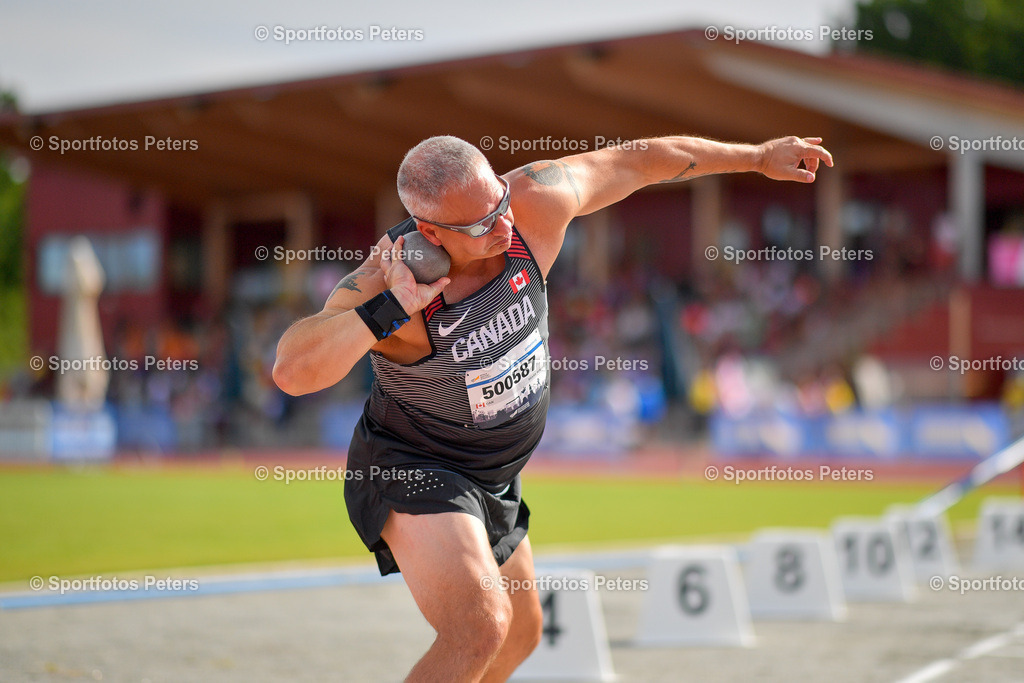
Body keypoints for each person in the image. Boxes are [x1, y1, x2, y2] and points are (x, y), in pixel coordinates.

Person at [272, 134, 833, 682]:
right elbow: (292, 370)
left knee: (521, 636)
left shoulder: (533, 203)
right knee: (479, 628)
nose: (503, 226)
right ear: (429, 233)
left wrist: (757, 157)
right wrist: (391, 308)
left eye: (500, 204)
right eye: (480, 225)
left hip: (495, 475)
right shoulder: (388, 284)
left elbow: (636, 161)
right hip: (414, 464)